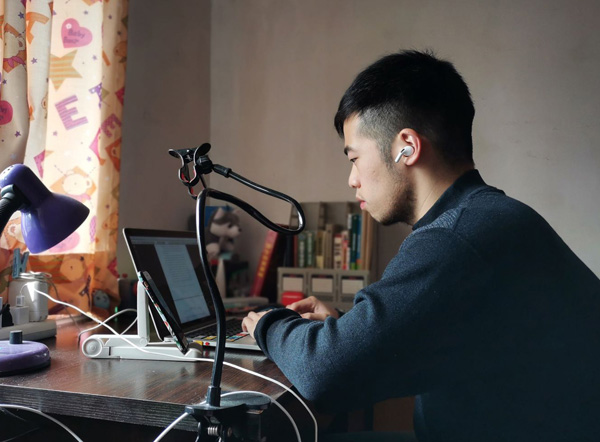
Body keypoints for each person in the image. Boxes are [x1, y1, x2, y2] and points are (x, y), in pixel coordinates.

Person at [242, 50, 600, 442]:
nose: (352, 179)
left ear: (408, 147)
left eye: (354, 158)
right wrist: (347, 328)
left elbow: (325, 374)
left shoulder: (455, 237)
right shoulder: (488, 218)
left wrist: (268, 324)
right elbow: (433, 332)